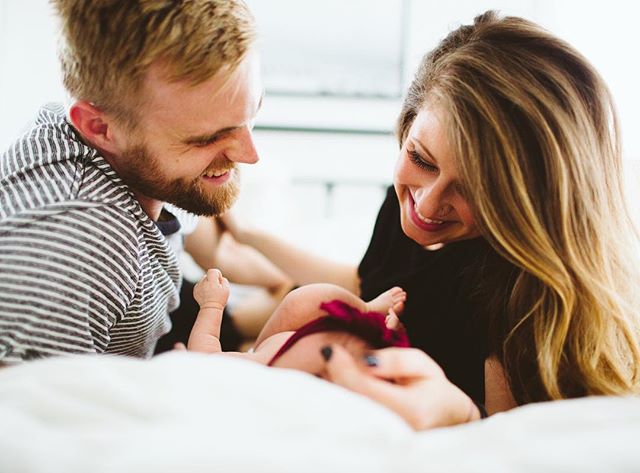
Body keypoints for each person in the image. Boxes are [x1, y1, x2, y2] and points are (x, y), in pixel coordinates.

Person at [219, 10, 640, 429]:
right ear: (407, 123)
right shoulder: (401, 208)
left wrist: (463, 418)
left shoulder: (522, 305)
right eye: (421, 158)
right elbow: (365, 282)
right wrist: (253, 236)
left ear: (527, 199)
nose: (428, 205)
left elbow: (510, 445)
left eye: (475, 190)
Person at [0, 0, 261, 363]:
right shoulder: (74, 250)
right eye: (205, 138)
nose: (250, 154)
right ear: (99, 128)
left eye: (251, 115)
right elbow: (25, 415)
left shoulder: (147, 163)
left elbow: (217, 249)